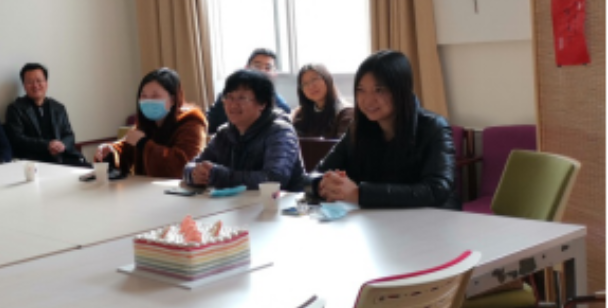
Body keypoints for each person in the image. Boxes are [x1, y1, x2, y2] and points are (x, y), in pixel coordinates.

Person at [314, 50, 458, 209]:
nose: (368, 100)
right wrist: (325, 184)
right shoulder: (357, 129)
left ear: (400, 90)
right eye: (361, 90)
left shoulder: (435, 127)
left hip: (431, 218)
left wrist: (359, 193)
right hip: (376, 218)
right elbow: (316, 173)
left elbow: (436, 190)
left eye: (379, 90)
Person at [183, 69, 305, 191]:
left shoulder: (280, 132)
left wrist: (221, 176)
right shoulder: (224, 133)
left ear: (262, 104)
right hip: (238, 201)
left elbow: (274, 179)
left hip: (283, 201)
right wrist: (194, 174)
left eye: (241, 98)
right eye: (229, 97)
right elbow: (191, 166)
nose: (233, 104)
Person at [95, 68, 207, 179]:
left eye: (155, 96)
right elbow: (125, 148)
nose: (148, 101)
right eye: (143, 96)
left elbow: (182, 168)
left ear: (173, 100)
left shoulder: (192, 124)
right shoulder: (146, 123)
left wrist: (144, 144)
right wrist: (110, 151)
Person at [5, 63, 89, 167]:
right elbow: (17, 139)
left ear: (46, 83)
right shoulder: (15, 109)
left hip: (62, 157)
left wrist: (62, 145)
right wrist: (47, 145)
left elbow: (69, 135)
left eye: (39, 81)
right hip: (35, 161)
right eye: (30, 82)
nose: (35, 85)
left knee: (89, 169)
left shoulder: (58, 107)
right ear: (24, 86)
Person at [206, 48, 292, 134]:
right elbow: (208, 125)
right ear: (246, 68)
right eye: (257, 66)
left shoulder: (281, 108)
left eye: (268, 68)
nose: (262, 71)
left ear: (275, 74)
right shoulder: (226, 97)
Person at [291, 63, 353, 139]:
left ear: (327, 79)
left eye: (314, 79)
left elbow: (344, 145)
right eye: (305, 84)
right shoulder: (301, 114)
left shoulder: (345, 113)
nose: (311, 86)